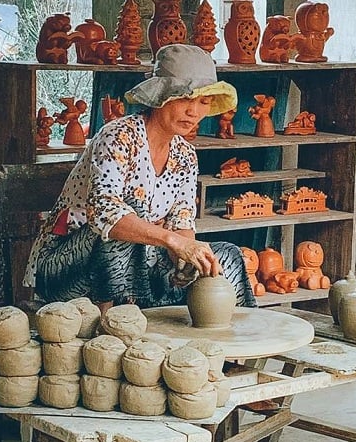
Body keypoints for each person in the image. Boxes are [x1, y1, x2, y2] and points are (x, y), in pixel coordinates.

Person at [24, 44, 257, 312]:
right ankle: (112, 328)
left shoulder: (185, 155)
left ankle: (233, 349)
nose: (194, 112)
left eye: (203, 102)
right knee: (125, 219)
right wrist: (173, 242)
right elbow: (105, 214)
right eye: (184, 98)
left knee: (225, 256)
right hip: (66, 271)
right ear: (161, 97)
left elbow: (181, 221)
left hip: (138, 271)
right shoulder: (118, 136)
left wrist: (187, 258)